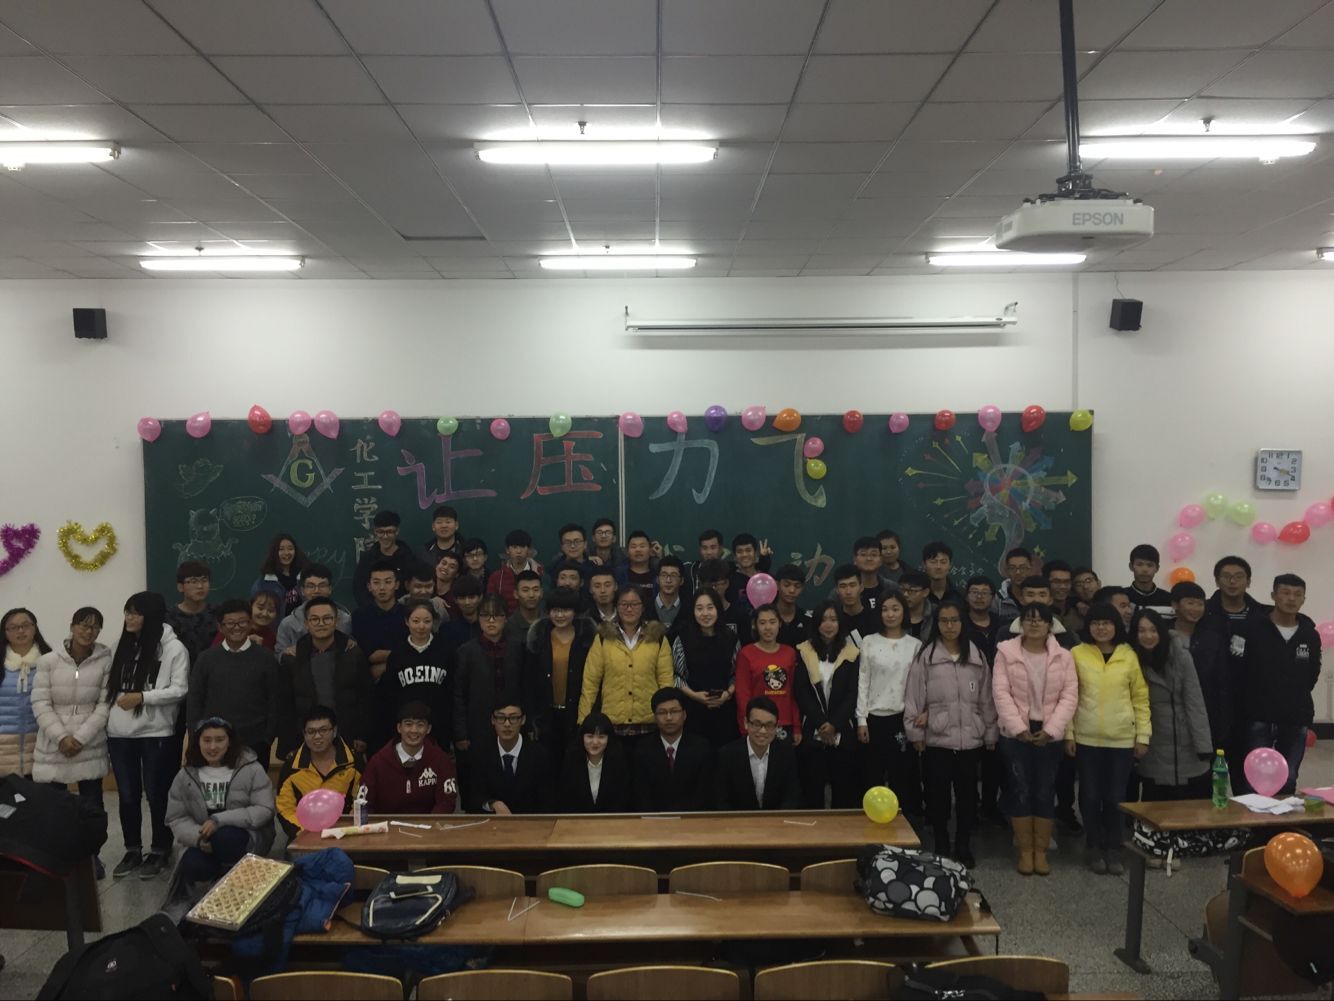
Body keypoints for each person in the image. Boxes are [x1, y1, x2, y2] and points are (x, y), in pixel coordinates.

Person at [904, 601, 997, 866]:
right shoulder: (927, 656)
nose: (949, 626)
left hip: (970, 739)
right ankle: (942, 842)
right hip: (937, 739)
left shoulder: (976, 656)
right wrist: (915, 733)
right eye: (944, 620)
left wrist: (990, 732)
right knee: (937, 795)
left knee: (967, 796)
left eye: (954, 620)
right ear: (937, 624)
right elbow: (914, 697)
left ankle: (964, 844)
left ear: (963, 622)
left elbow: (987, 698)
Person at [105, 592, 190, 880]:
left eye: (135, 613)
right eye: (127, 612)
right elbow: (109, 689)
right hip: (119, 734)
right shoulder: (120, 645)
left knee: (156, 794)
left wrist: (143, 697)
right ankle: (132, 849)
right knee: (128, 795)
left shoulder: (173, 648)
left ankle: (160, 849)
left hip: (156, 732)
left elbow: (180, 689)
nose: (128, 618)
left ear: (151, 616)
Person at [992, 604, 1078, 876]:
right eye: (1029, 619)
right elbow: (1000, 693)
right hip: (1015, 732)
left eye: (1041, 620)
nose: (1034, 624)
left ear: (1050, 625)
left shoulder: (1064, 656)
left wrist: (1052, 730)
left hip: (1049, 733)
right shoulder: (1005, 652)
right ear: (1021, 624)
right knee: (1020, 789)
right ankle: (1024, 850)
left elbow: (1069, 695)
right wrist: (1018, 728)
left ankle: (1040, 852)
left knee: (1044, 790)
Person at [1067, 602, 1150, 875]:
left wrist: (1143, 736)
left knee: (1115, 797)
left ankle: (1114, 847)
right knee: (1090, 795)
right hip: (1086, 738)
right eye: (1095, 623)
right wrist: (1069, 733)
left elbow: (1140, 698)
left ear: (1116, 626)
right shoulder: (1077, 653)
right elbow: (1068, 697)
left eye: (1107, 623)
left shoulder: (1128, 655)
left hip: (1121, 739)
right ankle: (1093, 845)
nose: (1101, 628)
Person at [31, 607, 111, 877]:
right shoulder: (48, 661)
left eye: (95, 627)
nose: (88, 631)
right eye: (83, 625)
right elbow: (40, 702)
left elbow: (105, 704)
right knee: (53, 807)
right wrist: (61, 737)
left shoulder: (105, 661)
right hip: (54, 743)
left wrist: (79, 737)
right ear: (72, 626)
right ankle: (55, 858)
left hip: (89, 744)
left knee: (92, 808)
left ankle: (91, 858)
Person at [166, 717, 275, 886]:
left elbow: (264, 809)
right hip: (204, 839)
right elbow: (177, 818)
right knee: (191, 864)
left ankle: (235, 883)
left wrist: (218, 820)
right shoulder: (185, 775)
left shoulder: (251, 768)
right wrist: (198, 838)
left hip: (243, 836)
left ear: (229, 742)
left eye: (219, 740)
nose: (212, 747)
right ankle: (218, 879)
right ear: (198, 742)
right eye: (206, 740)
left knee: (225, 838)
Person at [1240, 574, 1320, 795]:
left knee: (1288, 778)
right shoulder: (1253, 629)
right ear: (1273, 596)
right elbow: (1242, 670)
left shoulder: (1309, 634)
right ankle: (1255, 819)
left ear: (1303, 599)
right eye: (1285, 593)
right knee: (1256, 780)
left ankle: (1284, 817)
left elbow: (1312, 673)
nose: (1291, 599)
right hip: (1259, 715)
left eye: (1297, 594)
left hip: (1296, 716)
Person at [577, 586, 674, 757]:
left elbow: (666, 681)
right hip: (612, 724)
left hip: (648, 724)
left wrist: (667, 716)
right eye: (624, 604)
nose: (629, 609)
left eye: (635, 604)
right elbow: (590, 682)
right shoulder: (603, 638)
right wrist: (583, 720)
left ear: (643, 607)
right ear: (616, 606)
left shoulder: (657, 638)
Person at [1131, 609, 1213, 804]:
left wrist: (1203, 746)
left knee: (1192, 807)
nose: (1148, 636)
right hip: (1151, 744)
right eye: (1141, 631)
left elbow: (1195, 702)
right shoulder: (1131, 660)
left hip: (1185, 740)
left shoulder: (1181, 656)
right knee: (1156, 807)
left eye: (1153, 630)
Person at [188, 598, 279, 771]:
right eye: (230, 623)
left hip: (256, 741)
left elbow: (274, 700)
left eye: (242, 622)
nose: (236, 627)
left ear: (250, 623)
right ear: (220, 627)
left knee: (254, 787)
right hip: (214, 742)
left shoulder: (266, 658)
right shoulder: (206, 658)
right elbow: (195, 700)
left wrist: (268, 737)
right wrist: (196, 734)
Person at [278, 596, 372, 757]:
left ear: (336, 621)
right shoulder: (292, 659)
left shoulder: (353, 654)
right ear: (306, 623)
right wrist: (289, 745)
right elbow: (285, 705)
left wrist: (362, 735)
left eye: (327, 618)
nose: (321, 623)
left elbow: (365, 698)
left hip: (348, 737)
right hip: (304, 740)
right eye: (314, 619)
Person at [856, 593, 923, 817]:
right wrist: (861, 719)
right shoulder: (869, 641)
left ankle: (906, 824)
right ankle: (871, 822)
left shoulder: (915, 645)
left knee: (902, 776)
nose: (890, 614)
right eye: (885, 609)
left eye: (895, 609)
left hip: (902, 718)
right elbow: (863, 681)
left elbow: (919, 685)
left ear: (904, 612)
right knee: (872, 775)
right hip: (873, 718)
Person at [795, 603, 859, 808]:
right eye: (823, 620)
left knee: (843, 790)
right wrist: (822, 723)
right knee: (812, 789)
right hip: (812, 729)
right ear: (816, 623)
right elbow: (802, 692)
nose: (828, 625)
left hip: (843, 730)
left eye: (833, 619)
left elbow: (853, 693)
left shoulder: (852, 653)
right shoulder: (804, 650)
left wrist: (834, 725)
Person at [453, 595, 521, 788]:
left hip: (511, 723)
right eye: (485, 616)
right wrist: (461, 732)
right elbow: (458, 694)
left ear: (506, 618)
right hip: (477, 726)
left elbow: (525, 687)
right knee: (477, 778)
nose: (491, 621)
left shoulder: (517, 648)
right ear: (478, 618)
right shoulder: (466, 651)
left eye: (497, 615)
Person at [525, 588, 597, 756]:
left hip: (577, 712)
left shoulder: (587, 640)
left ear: (575, 612)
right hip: (546, 714)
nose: (559, 615)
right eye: (555, 610)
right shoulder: (539, 638)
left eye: (565, 610)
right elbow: (529, 681)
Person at [376, 599, 454, 753]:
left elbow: (452, 691)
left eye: (427, 621)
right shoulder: (397, 655)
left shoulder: (446, 651)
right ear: (407, 621)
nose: (421, 626)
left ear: (433, 622)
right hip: (407, 728)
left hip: (439, 726)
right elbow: (390, 695)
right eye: (416, 621)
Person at [275, 705, 364, 838]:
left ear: (334, 731)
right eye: (311, 731)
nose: (317, 736)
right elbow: (285, 809)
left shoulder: (354, 762)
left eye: (323, 730)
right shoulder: (291, 766)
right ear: (304, 734)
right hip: (304, 834)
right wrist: (305, 832)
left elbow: (362, 800)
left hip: (346, 833)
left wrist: (345, 829)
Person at [360, 702, 458, 814]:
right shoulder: (378, 762)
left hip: (428, 824)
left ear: (428, 729)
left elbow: (446, 802)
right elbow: (364, 802)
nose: (414, 730)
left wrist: (430, 823)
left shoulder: (441, 760)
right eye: (408, 724)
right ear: (399, 728)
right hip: (387, 824)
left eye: (420, 725)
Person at [672, 590, 739, 750]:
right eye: (699, 608)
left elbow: (736, 673)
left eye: (710, 607)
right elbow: (676, 675)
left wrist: (727, 694)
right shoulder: (683, 637)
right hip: (692, 709)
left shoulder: (731, 637)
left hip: (724, 709)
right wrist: (694, 695)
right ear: (693, 611)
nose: (705, 613)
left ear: (718, 609)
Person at [1170, 581, 1232, 749]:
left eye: (1200, 604)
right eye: (1190, 603)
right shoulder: (1162, 635)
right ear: (1175, 605)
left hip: (1205, 709)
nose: (1196, 608)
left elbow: (1222, 680)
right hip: (1170, 709)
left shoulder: (1213, 639)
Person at [633, 687, 715, 812]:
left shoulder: (701, 747)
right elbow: (641, 795)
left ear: (684, 715)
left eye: (674, 711)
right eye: (662, 712)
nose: (669, 717)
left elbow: (704, 793)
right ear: (655, 717)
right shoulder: (642, 749)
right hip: (653, 819)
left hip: (692, 818)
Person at [716, 696, 802, 810]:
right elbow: (721, 800)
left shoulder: (786, 754)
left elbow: (791, 797)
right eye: (757, 724)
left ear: (777, 726)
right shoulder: (727, 754)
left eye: (769, 725)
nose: (763, 731)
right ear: (746, 723)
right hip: (739, 819)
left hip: (776, 819)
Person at [469, 698, 552, 814]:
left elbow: (547, 802)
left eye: (513, 718)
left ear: (523, 720)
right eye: (501, 718)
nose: (507, 724)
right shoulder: (480, 753)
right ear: (493, 719)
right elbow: (473, 797)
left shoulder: (539, 755)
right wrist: (492, 804)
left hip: (529, 822)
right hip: (492, 822)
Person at [734, 605, 802, 745]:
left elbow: (794, 693)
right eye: (762, 623)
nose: (768, 628)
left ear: (779, 624)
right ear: (755, 625)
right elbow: (742, 694)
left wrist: (797, 726)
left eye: (772, 622)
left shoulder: (790, 653)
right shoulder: (746, 654)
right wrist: (746, 726)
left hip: (784, 722)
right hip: (757, 724)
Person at [1, 608, 50, 778]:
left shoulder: (49, 660)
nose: (20, 631)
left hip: (40, 745)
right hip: (3, 746)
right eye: (13, 627)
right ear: (5, 632)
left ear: (34, 628)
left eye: (25, 625)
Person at [558, 712, 630, 813]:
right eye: (590, 736)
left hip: (611, 819)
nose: (595, 742)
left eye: (601, 737)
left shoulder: (618, 759)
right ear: (582, 737)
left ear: (609, 738)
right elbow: (565, 798)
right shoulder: (572, 758)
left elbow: (622, 799)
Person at [351, 561, 409, 682]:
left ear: (397, 585)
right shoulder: (359, 616)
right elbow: (370, 655)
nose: (382, 588)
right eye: (376, 582)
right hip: (369, 680)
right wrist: (401, 655)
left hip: (405, 677)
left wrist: (386, 666)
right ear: (369, 586)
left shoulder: (409, 614)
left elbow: (414, 652)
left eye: (388, 582)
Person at [274, 564, 352, 652]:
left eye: (322, 586)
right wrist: (286, 652)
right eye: (311, 586)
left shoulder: (345, 620)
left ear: (330, 589)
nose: (316, 591)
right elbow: (278, 654)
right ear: (302, 590)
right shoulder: (288, 624)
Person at [353, 511, 417, 608]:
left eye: (389, 532)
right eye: (381, 532)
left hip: (403, 612)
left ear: (397, 531)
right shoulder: (367, 558)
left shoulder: (409, 558)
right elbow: (359, 589)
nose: (385, 536)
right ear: (375, 532)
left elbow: (414, 587)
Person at [166, 561, 217, 674]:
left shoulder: (218, 614)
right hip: (176, 676)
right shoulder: (168, 617)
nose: (200, 586)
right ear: (180, 587)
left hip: (212, 675)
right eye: (193, 581)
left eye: (204, 580)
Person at [252, 533, 307, 617]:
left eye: (290, 549)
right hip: (277, 624)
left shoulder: (304, 577)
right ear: (274, 552)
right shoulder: (263, 583)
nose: (286, 553)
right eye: (281, 549)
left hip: (302, 623)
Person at [488, 529, 544, 613]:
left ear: (529, 550)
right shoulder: (496, 577)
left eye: (523, 547)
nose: (519, 551)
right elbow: (491, 604)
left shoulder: (540, 573)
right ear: (507, 550)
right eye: (514, 547)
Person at [211, 590, 279, 651]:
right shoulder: (233, 628)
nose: (265, 614)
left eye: (271, 611)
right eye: (260, 608)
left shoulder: (272, 637)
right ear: (250, 606)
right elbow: (214, 654)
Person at [832, 563, 878, 646]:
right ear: (837, 590)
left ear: (861, 587)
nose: (848, 592)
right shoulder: (833, 621)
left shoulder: (876, 619)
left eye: (852, 585)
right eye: (843, 586)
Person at [1125, 544, 1173, 618]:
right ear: (1131, 566)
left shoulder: (1169, 600)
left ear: (1157, 568)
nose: (1145, 569)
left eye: (1150, 565)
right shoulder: (1122, 597)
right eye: (1139, 564)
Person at [963, 576, 1001, 667]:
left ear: (993, 598)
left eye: (984, 593)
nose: (979, 596)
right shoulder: (960, 625)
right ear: (966, 597)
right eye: (974, 592)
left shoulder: (1002, 625)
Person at [502, 570, 545, 645]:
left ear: (541, 593)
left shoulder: (549, 623)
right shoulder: (507, 627)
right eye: (525, 590)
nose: (531, 595)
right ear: (516, 594)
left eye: (536, 590)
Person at [440, 574, 483, 648]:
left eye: (472, 597)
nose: (467, 602)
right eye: (462, 598)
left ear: (480, 597)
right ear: (455, 600)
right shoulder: (447, 630)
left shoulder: (487, 628)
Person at [773, 563, 811, 647]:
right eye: (786, 585)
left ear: (802, 588)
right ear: (777, 585)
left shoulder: (807, 620)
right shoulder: (766, 616)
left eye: (797, 586)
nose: (792, 590)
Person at [994, 548, 1033, 623]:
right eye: (1012, 568)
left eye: (1023, 568)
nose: (1018, 572)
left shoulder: (1041, 595)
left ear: (1030, 569)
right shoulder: (997, 599)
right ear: (1007, 571)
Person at [682, 528, 725, 594]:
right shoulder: (689, 570)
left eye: (713, 547)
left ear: (721, 549)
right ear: (700, 550)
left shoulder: (729, 572)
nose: (709, 552)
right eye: (704, 548)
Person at [649, 556, 685, 630]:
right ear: (657, 579)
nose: (668, 580)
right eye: (664, 575)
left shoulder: (689, 609)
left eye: (673, 575)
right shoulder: (646, 607)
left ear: (681, 581)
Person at [921, 541, 961, 608]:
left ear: (950, 565)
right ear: (924, 565)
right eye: (933, 562)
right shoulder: (918, 594)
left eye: (943, 562)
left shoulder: (960, 595)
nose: (938, 567)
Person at [898, 570, 933, 640]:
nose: (905, 594)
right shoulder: (894, 614)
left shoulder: (936, 613)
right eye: (902, 590)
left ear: (925, 592)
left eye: (911, 591)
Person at [852, 537, 884, 610]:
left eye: (874, 555)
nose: (869, 558)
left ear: (881, 560)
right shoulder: (844, 590)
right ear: (854, 559)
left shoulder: (891, 588)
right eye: (863, 554)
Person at [433, 551, 464, 620]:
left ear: (457, 574)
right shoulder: (426, 588)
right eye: (443, 563)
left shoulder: (456, 597)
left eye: (452, 567)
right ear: (436, 566)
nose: (445, 567)